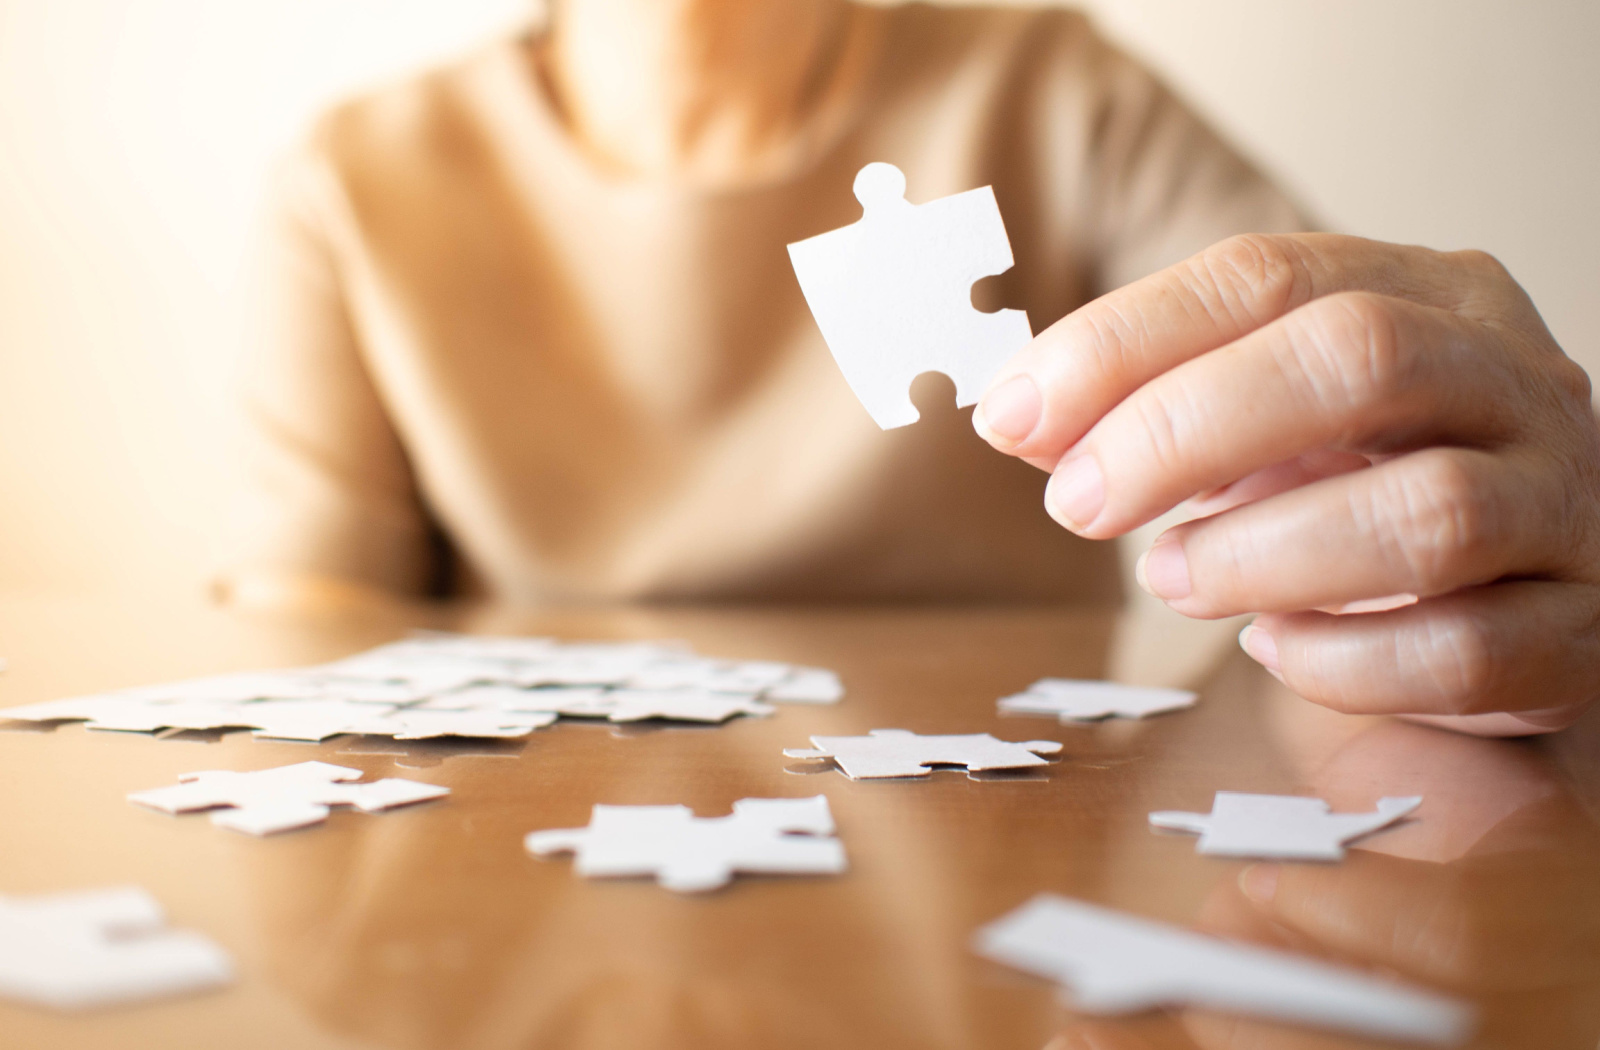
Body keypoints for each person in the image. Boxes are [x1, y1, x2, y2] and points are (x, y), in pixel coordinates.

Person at [225, 0, 1600, 737]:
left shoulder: (1059, 89)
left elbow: (1356, 431)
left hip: (1016, 857)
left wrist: (1481, 532)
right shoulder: (355, 179)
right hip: (512, 873)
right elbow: (308, 632)